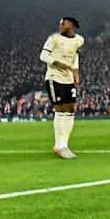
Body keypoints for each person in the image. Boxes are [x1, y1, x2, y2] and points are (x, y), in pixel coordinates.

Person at [39, 16, 84, 159]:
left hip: (68, 79)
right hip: (54, 77)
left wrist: (76, 73)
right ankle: (60, 145)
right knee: (60, 109)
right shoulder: (53, 39)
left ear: (70, 25)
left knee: (71, 109)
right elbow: (43, 56)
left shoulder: (79, 40)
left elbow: (75, 57)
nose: (60, 26)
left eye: (63, 24)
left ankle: (64, 144)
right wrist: (58, 63)